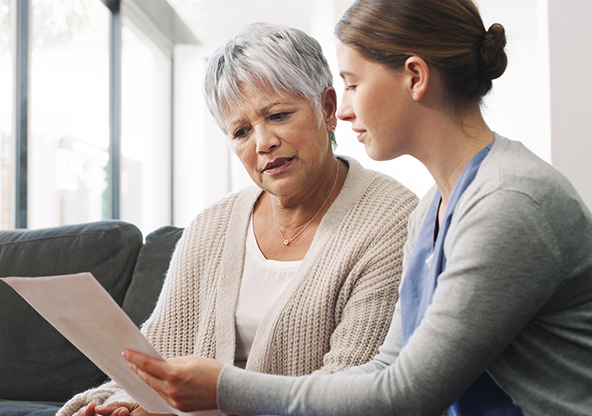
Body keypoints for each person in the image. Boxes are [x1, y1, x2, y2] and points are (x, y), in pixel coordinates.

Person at [116, 1, 592, 416]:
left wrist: (221, 388)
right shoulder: (433, 210)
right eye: (240, 131)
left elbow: (406, 397)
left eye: (351, 84)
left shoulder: (509, 202)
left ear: (415, 77)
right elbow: (387, 368)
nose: (341, 111)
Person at [57, 22, 418, 416]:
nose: (263, 143)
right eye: (241, 131)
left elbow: (352, 391)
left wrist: (215, 397)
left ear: (327, 109)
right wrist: (125, 405)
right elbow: (156, 358)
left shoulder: (392, 220)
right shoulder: (211, 226)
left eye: (278, 115)